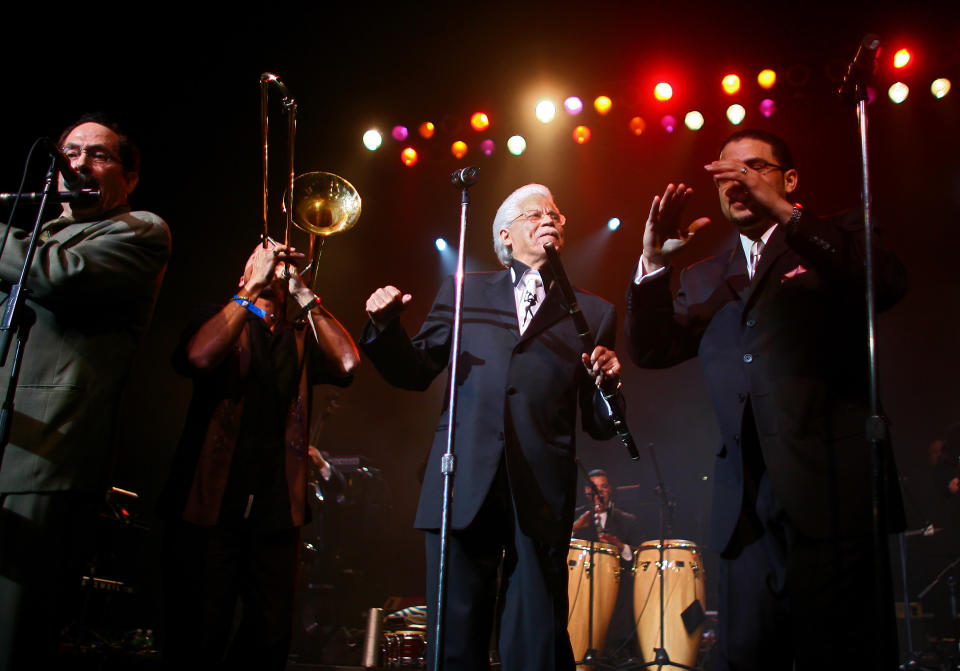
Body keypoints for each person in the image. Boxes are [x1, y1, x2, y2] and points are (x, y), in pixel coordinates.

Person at [624, 129, 907, 670]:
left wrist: (786, 213)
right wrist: (653, 263)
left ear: (789, 179)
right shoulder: (707, 274)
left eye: (752, 168)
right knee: (748, 655)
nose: (738, 183)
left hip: (831, 493)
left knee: (845, 654)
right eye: (725, 175)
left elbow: (886, 283)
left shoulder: (836, 236)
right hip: (746, 506)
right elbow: (654, 349)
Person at [362, 184, 624, 671]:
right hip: (462, 480)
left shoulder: (592, 312)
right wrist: (386, 327)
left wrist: (610, 384)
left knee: (536, 638)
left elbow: (600, 423)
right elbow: (415, 372)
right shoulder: (466, 291)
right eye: (535, 213)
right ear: (505, 235)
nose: (550, 218)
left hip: (541, 489)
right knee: (456, 637)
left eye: (557, 213)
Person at [0, 114, 171, 670]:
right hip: (7, 439)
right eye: (68, 153)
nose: (76, 164)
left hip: (49, 457)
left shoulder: (140, 229)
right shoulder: (36, 236)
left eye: (96, 155)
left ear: (129, 175)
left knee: (15, 633)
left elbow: (59, 276)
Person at [159, 240, 359, 670]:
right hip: (210, 504)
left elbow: (347, 364)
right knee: (199, 631)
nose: (276, 266)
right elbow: (199, 356)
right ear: (246, 269)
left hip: (276, 509)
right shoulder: (217, 317)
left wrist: (305, 295)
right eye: (264, 256)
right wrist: (250, 290)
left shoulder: (300, 332)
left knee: (269, 637)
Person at [570, 468, 643, 662]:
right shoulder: (574, 518)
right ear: (587, 491)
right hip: (578, 586)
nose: (600, 492)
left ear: (610, 490)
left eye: (604, 487)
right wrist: (575, 528)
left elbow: (641, 557)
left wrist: (621, 547)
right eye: (595, 488)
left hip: (616, 590)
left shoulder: (626, 520)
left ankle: (618, 653)